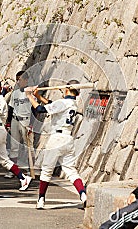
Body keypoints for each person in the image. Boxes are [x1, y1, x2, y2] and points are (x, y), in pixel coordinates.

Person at [25, 80, 87, 209]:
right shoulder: (72, 104)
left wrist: (29, 96)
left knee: (47, 170)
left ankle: (41, 199)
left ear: (67, 90)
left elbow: (40, 109)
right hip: (68, 139)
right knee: (71, 170)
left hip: (56, 138)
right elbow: (52, 105)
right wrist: (38, 96)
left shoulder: (63, 102)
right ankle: (83, 195)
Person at [4, 71, 34, 178]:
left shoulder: (30, 92)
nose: (18, 82)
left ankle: (29, 169)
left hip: (26, 120)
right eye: (17, 80)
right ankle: (13, 169)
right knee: (14, 146)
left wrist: (31, 124)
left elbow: (34, 109)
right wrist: (8, 122)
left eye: (20, 79)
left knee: (28, 146)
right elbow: (11, 108)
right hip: (15, 120)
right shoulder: (15, 93)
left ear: (26, 80)